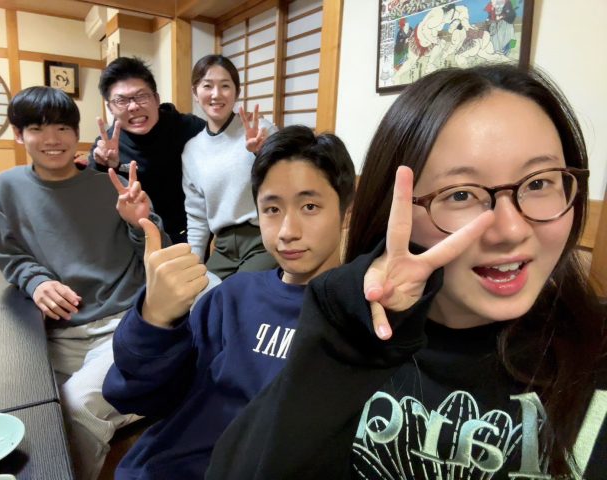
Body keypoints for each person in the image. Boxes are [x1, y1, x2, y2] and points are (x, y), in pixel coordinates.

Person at [206, 65, 607, 479]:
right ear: (394, 209)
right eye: (461, 194)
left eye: (539, 184)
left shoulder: (598, 348)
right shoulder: (348, 334)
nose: (511, 230)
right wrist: (343, 332)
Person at [102, 125, 356, 479]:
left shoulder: (358, 314)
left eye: (309, 206)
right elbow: (138, 397)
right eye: (271, 209)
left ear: (346, 212)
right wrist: (154, 320)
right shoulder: (232, 297)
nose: (287, 231)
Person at [0, 86, 171, 480]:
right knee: (21, 410)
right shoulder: (9, 185)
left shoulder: (110, 185)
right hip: (58, 334)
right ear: (19, 134)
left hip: (123, 325)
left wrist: (141, 222)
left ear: (76, 134)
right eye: (37, 129)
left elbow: (160, 259)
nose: (52, 139)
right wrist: (36, 281)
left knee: (73, 411)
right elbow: (8, 252)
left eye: (62, 128)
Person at [89, 56, 206, 244]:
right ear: (110, 108)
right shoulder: (107, 145)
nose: (133, 106)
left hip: (194, 234)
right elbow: (97, 203)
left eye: (142, 96)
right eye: (121, 101)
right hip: (138, 239)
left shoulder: (189, 128)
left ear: (157, 98)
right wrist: (106, 166)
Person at [182, 54, 278, 279]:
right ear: (195, 92)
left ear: (236, 92)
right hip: (224, 247)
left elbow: (288, 183)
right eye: (207, 86)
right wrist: (193, 268)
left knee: (235, 293)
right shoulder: (192, 150)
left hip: (263, 237)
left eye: (225, 86)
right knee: (201, 294)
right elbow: (197, 217)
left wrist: (262, 153)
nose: (216, 94)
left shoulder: (261, 130)